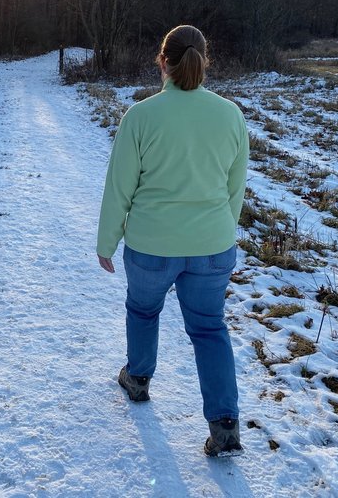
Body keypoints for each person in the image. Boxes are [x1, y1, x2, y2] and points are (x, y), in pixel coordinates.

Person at [96, 25, 249, 457]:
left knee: (143, 311)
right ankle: (224, 424)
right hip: (213, 245)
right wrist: (222, 231)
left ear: (162, 62)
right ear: (205, 61)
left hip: (151, 247)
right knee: (209, 328)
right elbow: (234, 187)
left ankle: (138, 378)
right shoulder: (230, 115)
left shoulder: (141, 116)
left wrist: (107, 241)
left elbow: (119, 187)